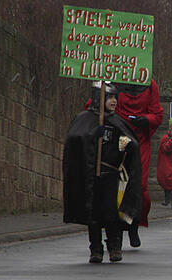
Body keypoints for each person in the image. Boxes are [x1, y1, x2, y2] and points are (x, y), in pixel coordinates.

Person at [63, 82, 142, 263]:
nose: (114, 101)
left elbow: (132, 144)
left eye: (115, 97)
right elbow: (75, 139)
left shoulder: (117, 121)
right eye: (109, 97)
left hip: (111, 174)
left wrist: (127, 145)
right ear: (100, 97)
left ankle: (114, 247)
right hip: (91, 174)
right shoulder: (85, 119)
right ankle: (95, 249)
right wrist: (92, 135)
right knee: (93, 212)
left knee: (111, 211)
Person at [114, 80, 164, 247]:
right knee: (115, 188)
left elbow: (157, 114)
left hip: (139, 141)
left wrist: (145, 120)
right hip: (116, 139)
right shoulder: (110, 77)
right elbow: (95, 105)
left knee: (139, 188)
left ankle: (134, 223)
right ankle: (116, 231)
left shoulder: (150, 85)